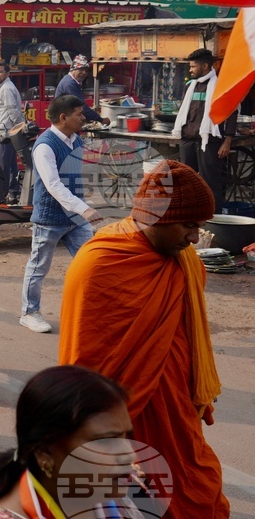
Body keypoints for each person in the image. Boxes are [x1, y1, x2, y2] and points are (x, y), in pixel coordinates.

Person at [59, 160, 229, 518]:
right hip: (124, 417)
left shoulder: (185, 261)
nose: (195, 238)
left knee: (194, 487)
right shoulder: (101, 262)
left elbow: (185, 337)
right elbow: (84, 359)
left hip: (175, 409)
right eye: (189, 225)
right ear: (157, 218)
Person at [0, 366, 134, 518]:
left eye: (126, 436)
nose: (130, 455)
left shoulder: (105, 496)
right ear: (44, 452)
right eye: (104, 441)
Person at [18, 95, 99, 334]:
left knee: (92, 262)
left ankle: (94, 310)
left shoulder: (76, 141)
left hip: (75, 217)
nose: (84, 118)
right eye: (79, 114)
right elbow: (53, 186)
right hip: (50, 217)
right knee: (39, 266)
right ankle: (29, 312)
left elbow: (78, 174)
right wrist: (84, 208)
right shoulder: (45, 146)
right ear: (63, 117)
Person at [174, 48, 238, 214]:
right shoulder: (190, 87)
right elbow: (184, 111)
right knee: (187, 181)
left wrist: (227, 140)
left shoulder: (220, 87)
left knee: (211, 182)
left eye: (193, 66)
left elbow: (231, 112)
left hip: (210, 142)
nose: (190, 70)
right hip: (188, 139)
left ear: (204, 67)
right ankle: (189, 215)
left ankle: (213, 217)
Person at [0, 62, 25, 203]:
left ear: (8, 74)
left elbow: (12, 110)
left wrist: (20, 126)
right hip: (8, 132)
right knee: (10, 165)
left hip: (5, 133)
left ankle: (0, 197)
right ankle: (13, 193)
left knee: (2, 167)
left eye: (0, 72)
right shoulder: (6, 87)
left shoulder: (6, 89)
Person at [54, 55, 108, 126]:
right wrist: (101, 120)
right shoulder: (69, 84)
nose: (84, 73)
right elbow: (81, 106)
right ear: (73, 69)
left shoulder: (71, 81)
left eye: (86, 70)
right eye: (81, 69)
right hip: (64, 124)